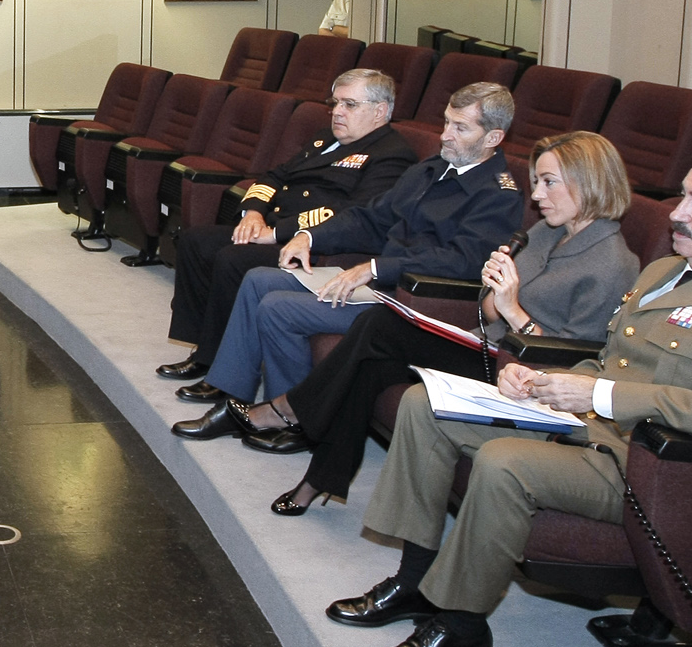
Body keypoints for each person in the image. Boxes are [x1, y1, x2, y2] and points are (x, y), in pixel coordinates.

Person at [330, 145, 692, 647]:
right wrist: (539, 379)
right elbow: (609, 359)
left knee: (504, 462)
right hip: (582, 426)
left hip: (644, 464)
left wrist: (600, 395)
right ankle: (414, 582)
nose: (677, 213)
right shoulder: (666, 270)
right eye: (683, 196)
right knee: (426, 405)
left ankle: (461, 625)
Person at [241, 131, 640, 515]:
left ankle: (290, 411)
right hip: (488, 346)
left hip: (525, 376)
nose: (536, 196)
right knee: (374, 359)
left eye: (549, 183)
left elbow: (572, 362)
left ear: (588, 183)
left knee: (378, 327)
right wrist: (496, 294)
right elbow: (489, 310)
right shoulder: (545, 232)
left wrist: (514, 310)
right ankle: (318, 478)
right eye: (537, 182)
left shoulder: (612, 264)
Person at [172, 81, 524, 440]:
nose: (445, 135)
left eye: (460, 127)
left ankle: (291, 420)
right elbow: (370, 217)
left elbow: (462, 262)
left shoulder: (498, 195)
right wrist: (309, 236)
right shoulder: (432, 168)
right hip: (383, 284)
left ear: (493, 137)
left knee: (278, 306)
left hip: (418, 302)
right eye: (446, 122)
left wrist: (374, 268)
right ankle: (233, 392)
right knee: (258, 279)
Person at [160, 68, 416, 383]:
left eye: (349, 105)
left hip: (319, 248)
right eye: (335, 103)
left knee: (233, 259)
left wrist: (277, 233)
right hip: (275, 228)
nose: (337, 112)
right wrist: (253, 213)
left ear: (379, 111)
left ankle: (223, 366)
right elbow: (275, 175)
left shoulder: (392, 156)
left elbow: (353, 215)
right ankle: (203, 350)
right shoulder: (324, 139)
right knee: (196, 241)